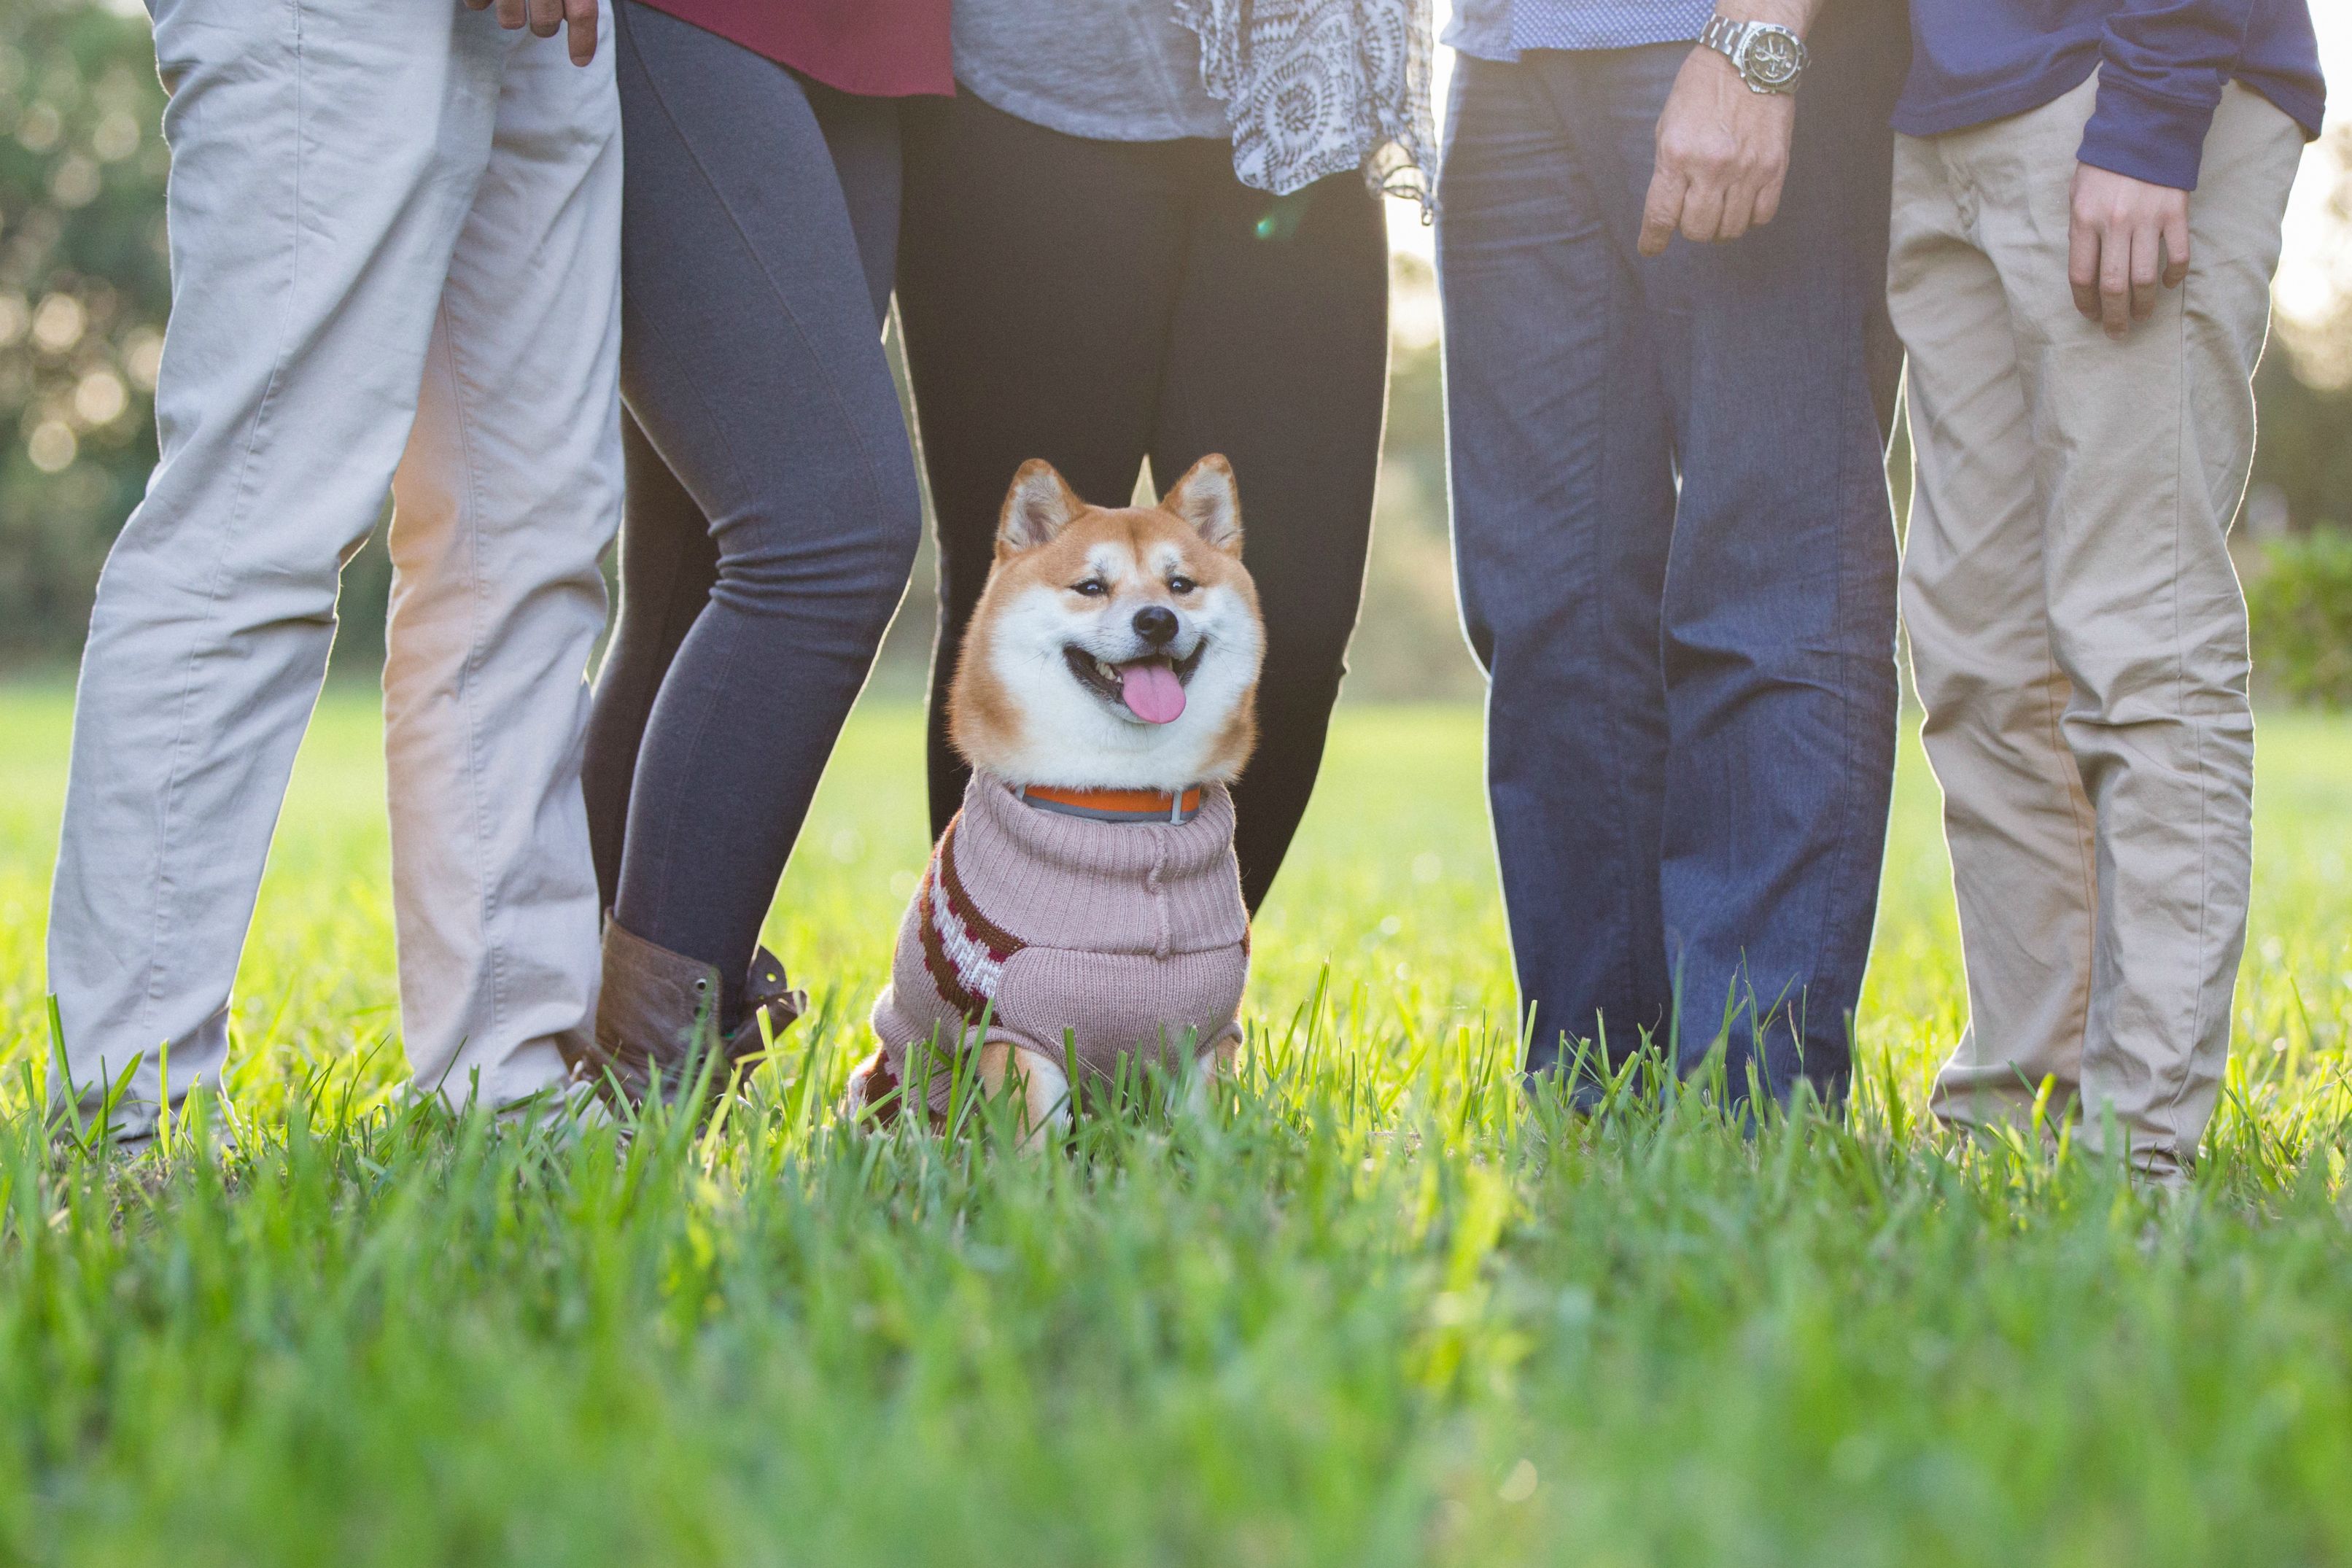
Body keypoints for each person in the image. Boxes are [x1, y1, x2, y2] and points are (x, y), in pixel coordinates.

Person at [46, 0, 618, 1138]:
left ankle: (501, 1083)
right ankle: (125, 1109)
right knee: (261, 511)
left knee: (528, 541)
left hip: (556, 31)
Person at [1438, 0, 1911, 1103]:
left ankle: (1755, 1104)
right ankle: (1598, 1084)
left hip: (1726, 40)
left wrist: (1761, 33)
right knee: (1551, 604)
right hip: (1507, 52)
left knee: (1770, 575)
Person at [1892, 0, 2324, 1178]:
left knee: (2140, 635)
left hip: (2121, 84)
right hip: (1949, 105)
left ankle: (2140, 1153)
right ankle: (2022, 1115)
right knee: (1983, 664)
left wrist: (2152, 106)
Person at [893, 0, 1434, 915]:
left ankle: (1174, 973)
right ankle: (996, 992)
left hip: (1302, 107)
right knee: (1018, 606)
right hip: (1034, 105)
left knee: (1290, 622)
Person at [570, 0, 943, 1106]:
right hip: (689, 17)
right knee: (829, 530)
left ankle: (565, 1048)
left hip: (875, 35)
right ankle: (646, 1081)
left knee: (693, 576)